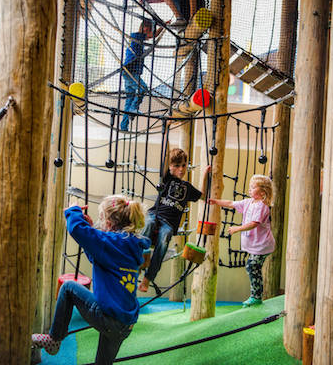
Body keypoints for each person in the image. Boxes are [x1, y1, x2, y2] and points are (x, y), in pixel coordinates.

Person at [31, 195, 150, 364]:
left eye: (102, 219)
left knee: (69, 287)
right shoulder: (130, 245)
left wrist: (73, 211)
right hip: (125, 325)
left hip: (109, 318)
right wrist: (90, 227)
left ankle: (54, 339)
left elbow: (77, 230)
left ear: (109, 223)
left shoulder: (110, 243)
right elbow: (98, 255)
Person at [138, 148, 211, 292]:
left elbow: (202, 196)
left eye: (183, 165)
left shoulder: (188, 188)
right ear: (170, 167)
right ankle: (141, 258)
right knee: (149, 223)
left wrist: (205, 175)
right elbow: (165, 157)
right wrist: (167, 130)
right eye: (177, 166)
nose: (181, 169)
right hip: (155, 214)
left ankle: (147, 279)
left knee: (164, 239)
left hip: (169, 223)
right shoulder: (167, 179)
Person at [208, 175, 274, 307]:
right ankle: (256, 295)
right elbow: (231, 204)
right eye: (250, 187)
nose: (250, 189)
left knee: (252, 266)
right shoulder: (249, 202)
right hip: (256, 245)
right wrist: (215, 201)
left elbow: (254, 223)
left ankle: (256, 296)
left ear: (263, 192)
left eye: (253, 187)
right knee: (253, 267)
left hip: (263, 245)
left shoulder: (262, 207)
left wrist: (237, 229)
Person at [120, 18, 163, 131]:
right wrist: (163, 27)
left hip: (129, 72)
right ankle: (133, 109)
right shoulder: (136, 36)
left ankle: (124, 126)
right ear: (144, 28)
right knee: (143, 89)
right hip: (130, 71)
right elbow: (153, 35)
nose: (150, 32)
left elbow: (150, 37)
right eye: (149, 29)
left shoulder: (138, 41)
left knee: (129, 100)